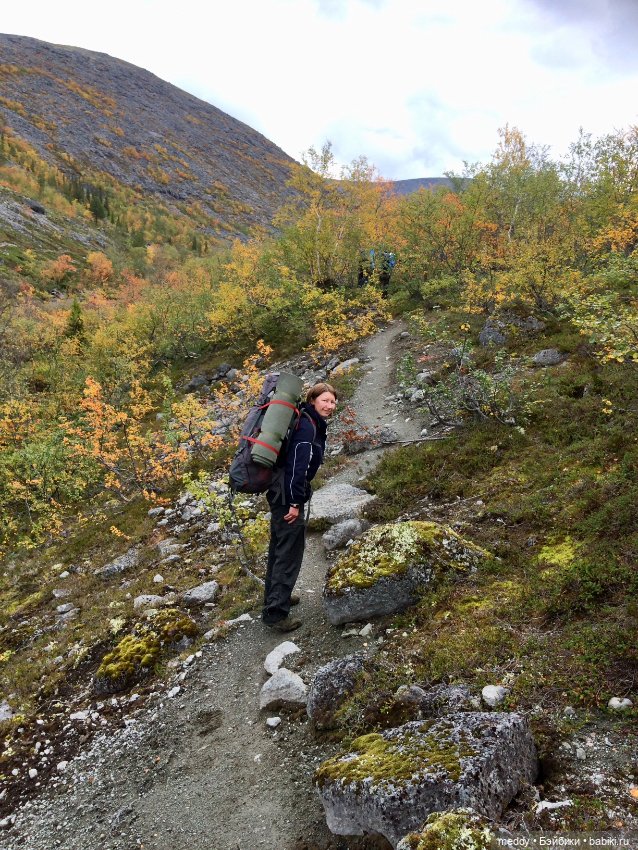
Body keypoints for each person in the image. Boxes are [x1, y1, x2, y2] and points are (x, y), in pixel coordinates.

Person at [262, 382, 338, 632]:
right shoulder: (307, 426)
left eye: (333, 401)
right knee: (288, 553)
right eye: (325, 400)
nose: (330, 406)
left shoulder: (307, 421)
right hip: (287, 495)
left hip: (281, 491)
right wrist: (295, 502)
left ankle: (275, 599)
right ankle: (276, 613)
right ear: (313, 400)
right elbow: (298, 465)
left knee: (279, 548)